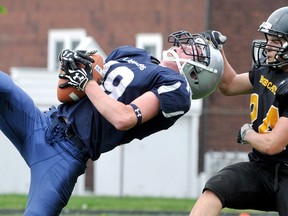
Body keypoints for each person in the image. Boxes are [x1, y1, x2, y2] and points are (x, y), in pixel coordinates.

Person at [0, 30, 223, 215]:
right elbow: (67, 94)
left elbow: (123, 118)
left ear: (195, 75)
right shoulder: (134, 54)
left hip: (64, 157)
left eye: (190, 51)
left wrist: (87, 83)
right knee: (4, 86)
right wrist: (72, 69)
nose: (181, 46)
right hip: (44, 122)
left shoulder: (176, 87)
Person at [190, 6, 288, 216]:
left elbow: (273, 145)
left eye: (276, 41)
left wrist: (247, 134)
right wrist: (217, 50)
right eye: (268, 39)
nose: (268, 46)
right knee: (214, 191)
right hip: (261, 168)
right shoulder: (268, 71)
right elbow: (229, 84)